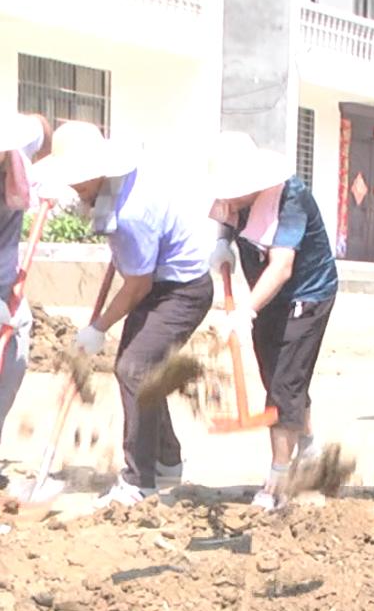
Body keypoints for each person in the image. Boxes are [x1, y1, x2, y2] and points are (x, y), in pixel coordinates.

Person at [34, 121, 213, 506]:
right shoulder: (117, 181)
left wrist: (98, 328)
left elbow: (137, 286)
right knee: (140, 369)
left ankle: (138, 481)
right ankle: (165, 458)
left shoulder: (130, 214)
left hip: (183, 291)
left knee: (133, 368)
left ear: (99, 170)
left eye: (79, 180)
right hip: (160, 282)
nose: (74, 187)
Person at [204, 133, 340, 510]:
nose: (228, 199)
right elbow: (227, 219)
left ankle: (279, 479)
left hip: (306, 295)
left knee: (283, 387)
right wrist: (222, 242)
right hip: (266, 296)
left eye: (235, 191)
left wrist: (245, 309)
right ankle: (310, 448)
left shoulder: (290, 198)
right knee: (279, 377)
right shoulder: (232, 197)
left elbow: (281, 267)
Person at [0, 111, 51, 459]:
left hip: (7, 282)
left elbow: (44, 129)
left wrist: (48, 169)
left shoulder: (18, 147)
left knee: (13, 356)